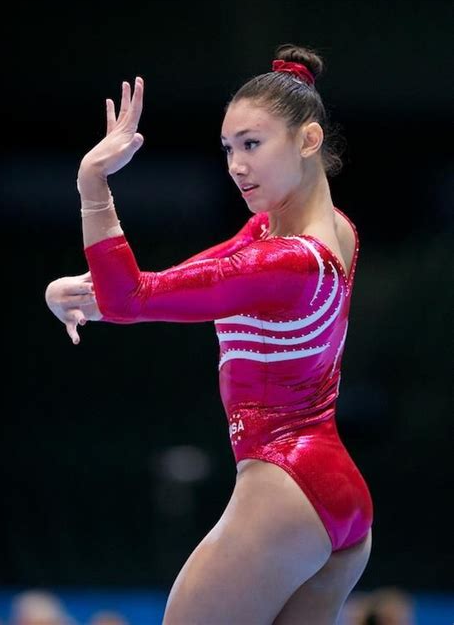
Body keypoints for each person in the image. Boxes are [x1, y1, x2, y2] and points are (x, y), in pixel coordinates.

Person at [45, 43, 373, 624]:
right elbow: (166, 285)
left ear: (309, 140)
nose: (236, 165)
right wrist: (86, 295)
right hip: (334, 496)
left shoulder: (288, 259)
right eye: (228, 149)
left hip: (284, 481)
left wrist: (92, 182)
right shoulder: (322, 232)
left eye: (252, 144)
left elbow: (133, 298)